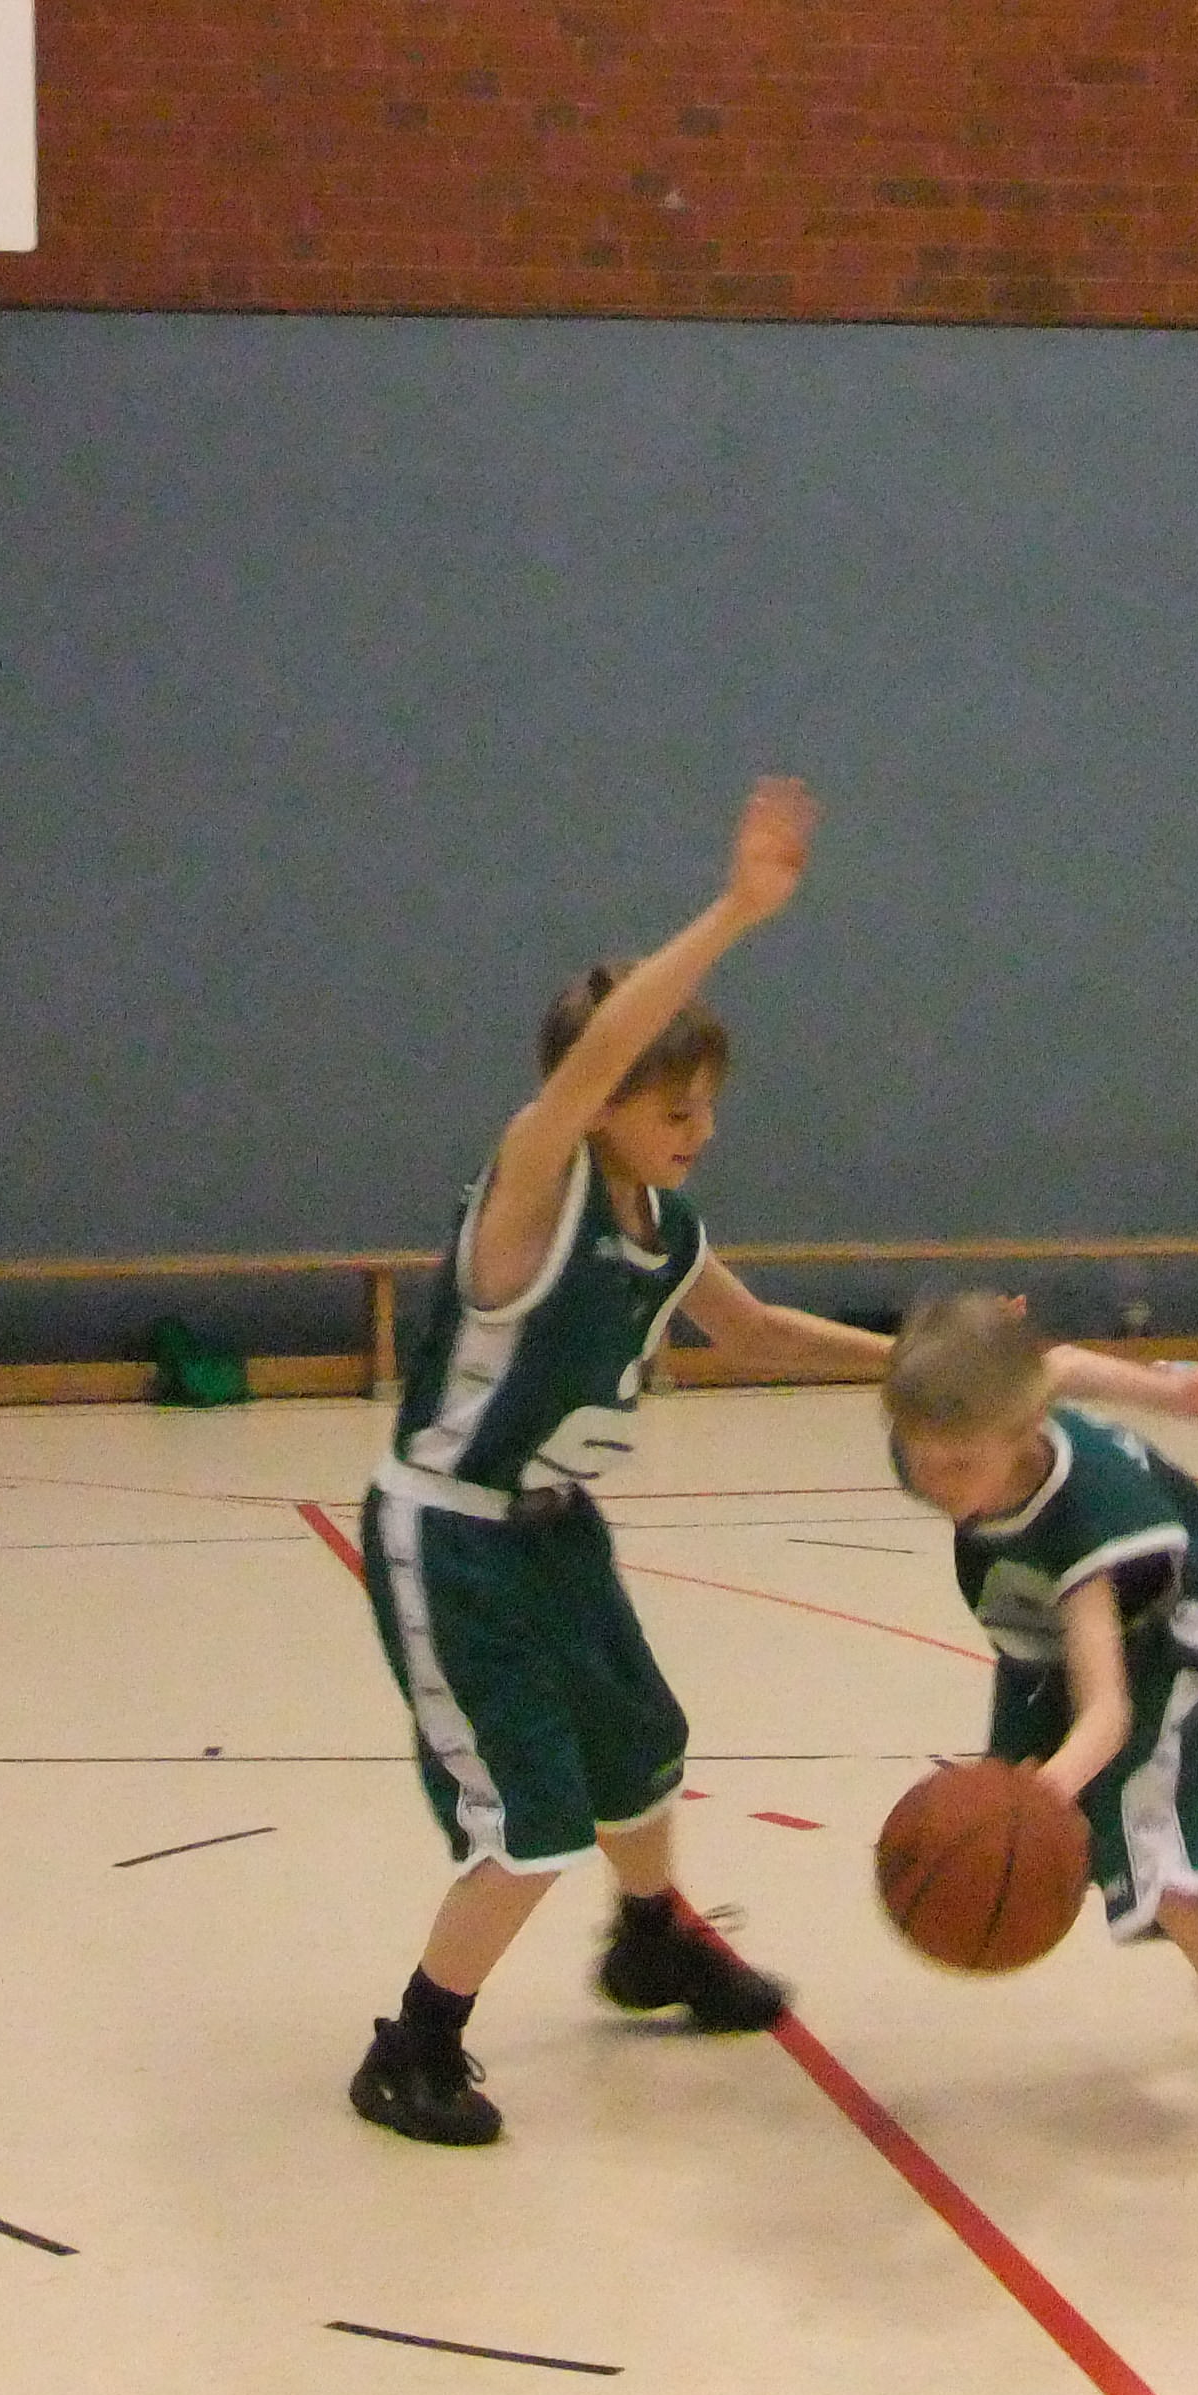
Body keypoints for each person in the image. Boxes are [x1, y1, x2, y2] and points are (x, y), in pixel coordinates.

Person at [351, 776, 900, 2147]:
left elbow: (755, 1332)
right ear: (598, 1102)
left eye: (708, 1106)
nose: (698, 1128)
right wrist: (737, 911)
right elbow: (596, 1060)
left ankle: (651, 1939)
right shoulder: (534, 1189)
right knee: (532, 1817)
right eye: (673, 1106)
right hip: (452, 1537)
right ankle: (413, 2046)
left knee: (642, 1748)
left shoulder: (666, 1224)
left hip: (555, 1529)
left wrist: (914, 1361)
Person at [883, 1289, 1198, 2158]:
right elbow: (1052, 1364)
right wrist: (1175, 1391)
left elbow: (1109, 1712)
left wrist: (1031, 1799)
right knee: (1096, 1848)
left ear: (1024, 1432)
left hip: (1163, 1629)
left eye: (959, 1466)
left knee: (1157, 1865)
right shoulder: (960, 1417)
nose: (935, 1482)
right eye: (921, 1460)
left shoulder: (1091, 1517)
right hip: (1048, 1636)